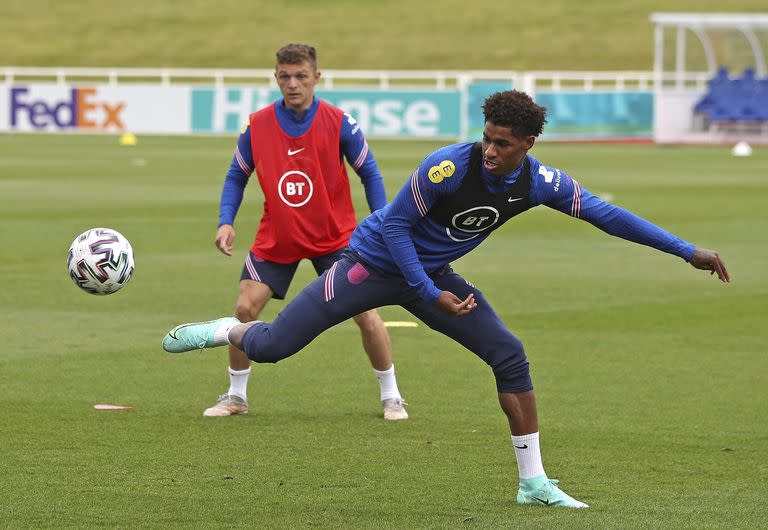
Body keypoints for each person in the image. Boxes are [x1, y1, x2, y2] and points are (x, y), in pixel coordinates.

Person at [164, 90, 729, 507]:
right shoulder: (447, 165)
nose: (489, 149)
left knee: (508, 354)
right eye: (486, 136)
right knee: (272, 346)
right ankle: (222, 329)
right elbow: (395, 230)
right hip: (369, 265)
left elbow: (608, 215)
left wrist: (685, 250)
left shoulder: (539, 182)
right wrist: (429, 293)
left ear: (527, 145)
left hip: (431, 277)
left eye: (502, 143)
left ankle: (533, 483)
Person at [206, 43, 407, 420]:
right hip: (278, 237)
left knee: (365, 314)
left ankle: (391, 395)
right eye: (285, 76)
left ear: (316, 77)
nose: (293, 84)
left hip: (336, 240)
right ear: (276, 78)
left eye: (301, 76)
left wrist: (381, 222)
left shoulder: (339, 122)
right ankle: (236, 396)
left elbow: (370, 173)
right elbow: (237, 175)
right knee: (244, 309)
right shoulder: (257, 125)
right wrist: (225, 220)